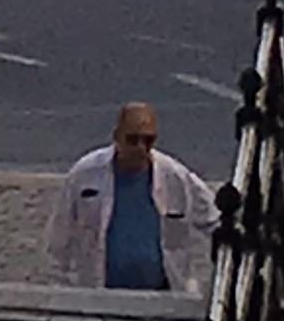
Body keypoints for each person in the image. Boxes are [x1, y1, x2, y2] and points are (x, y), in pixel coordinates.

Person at [44, 103, 216, 292]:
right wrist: (62, 288)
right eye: (133, 140)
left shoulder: (176, 177)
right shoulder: (85, 174)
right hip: (100, 293)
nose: (140, 148)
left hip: (164, 293)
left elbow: (214, 219)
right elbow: (59, 236)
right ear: (117, 137)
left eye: (148, 141)